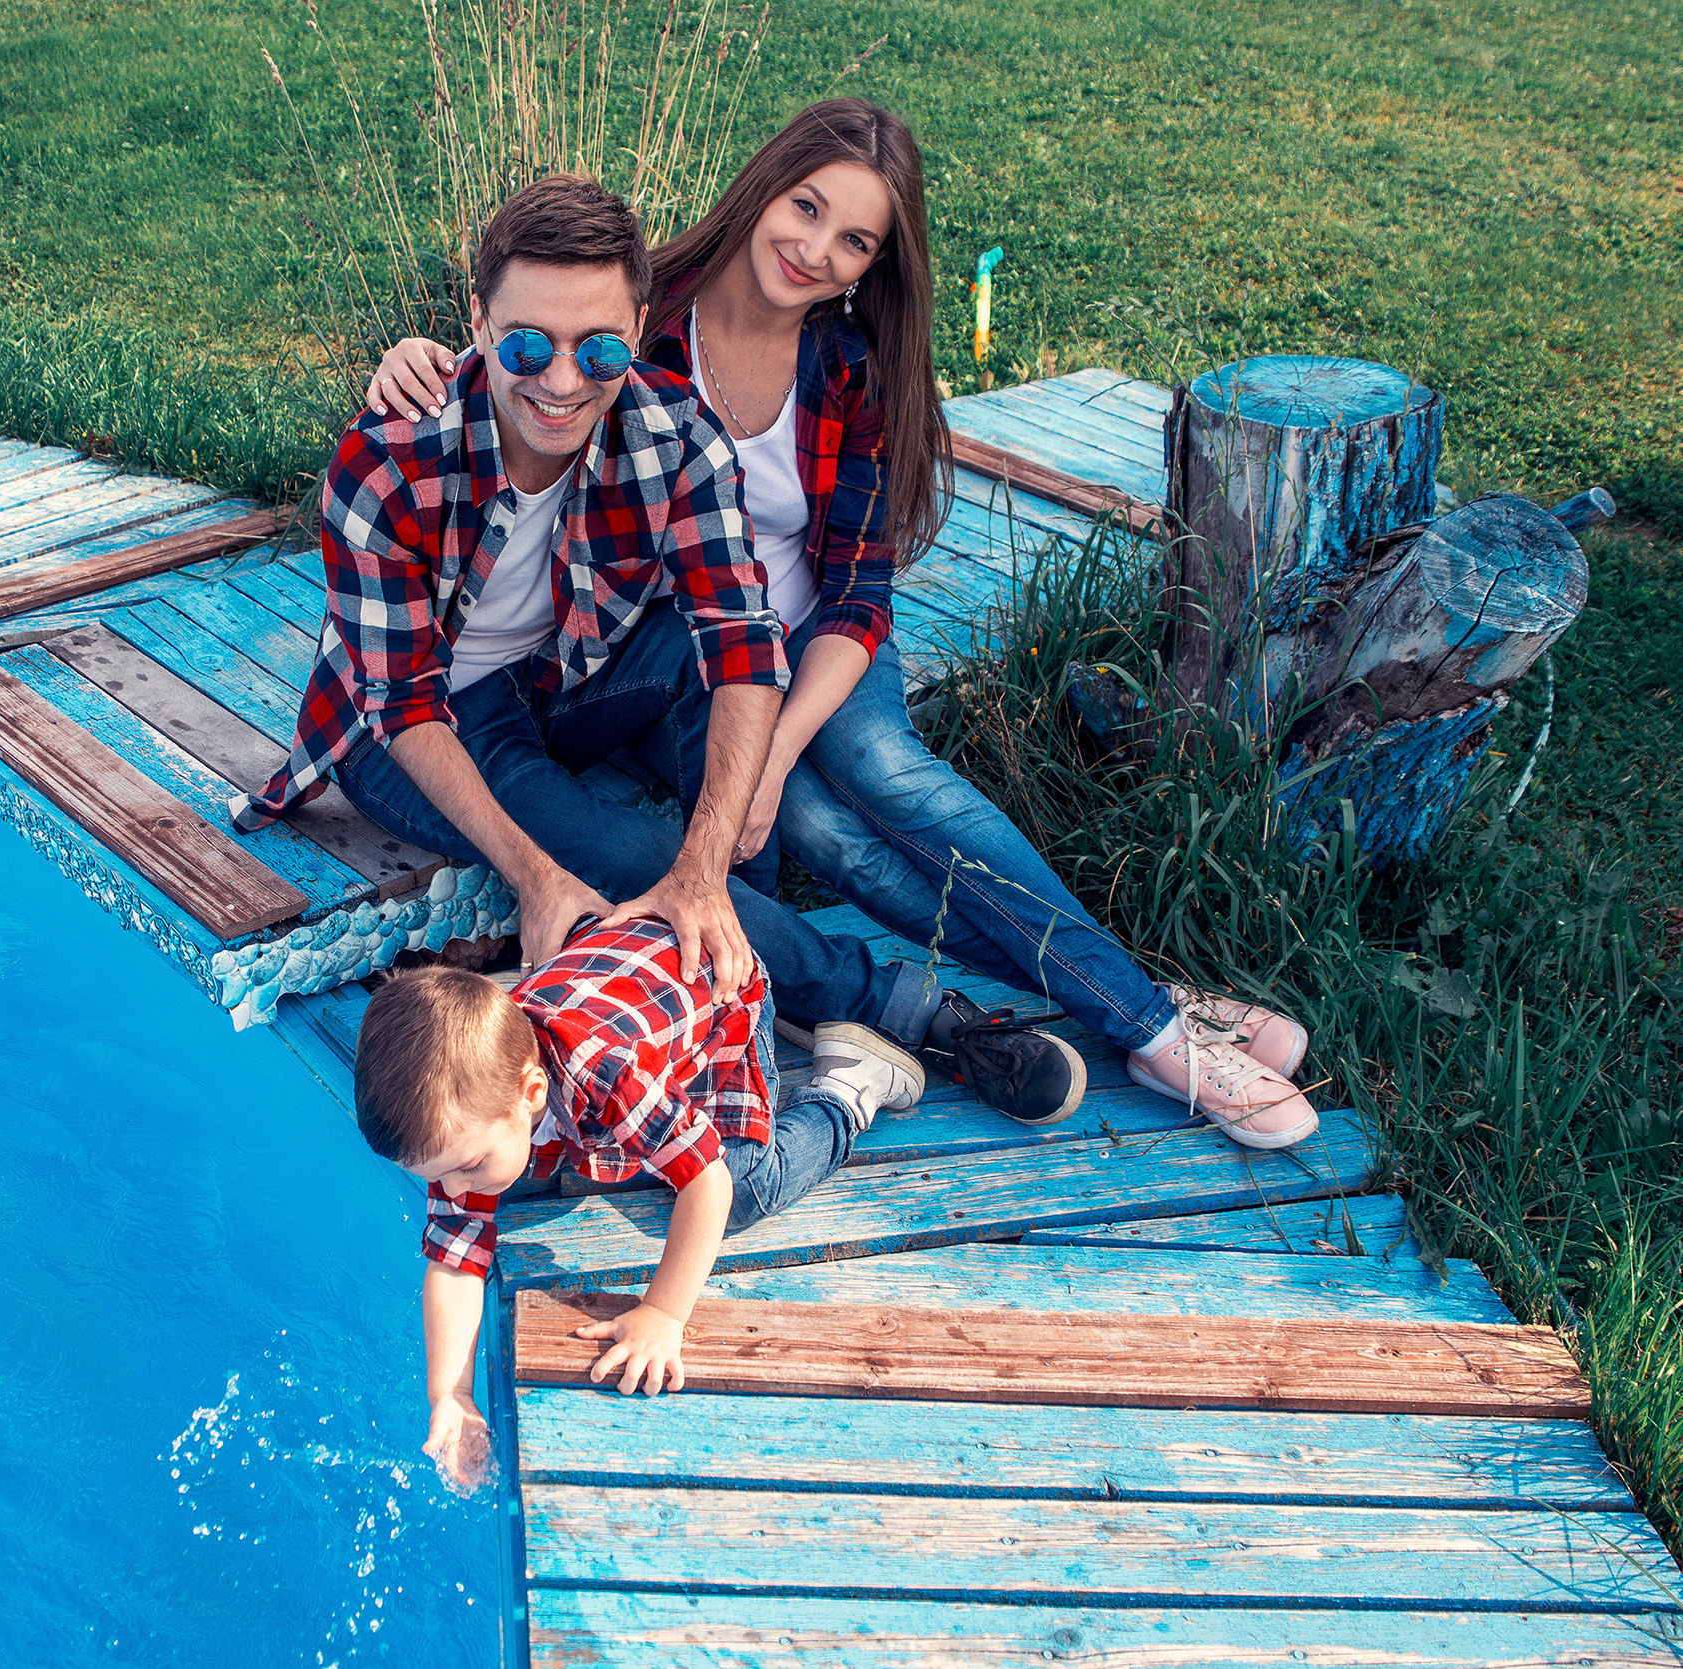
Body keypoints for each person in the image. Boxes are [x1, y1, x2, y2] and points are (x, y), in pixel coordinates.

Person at [364, 101, 1318, 1150]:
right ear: (763, 186)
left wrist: (770, 756)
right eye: (807, 207)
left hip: (808, 639)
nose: (816, 249)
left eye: (854, 239)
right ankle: (1090, 997)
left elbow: (855, 591)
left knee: (885, 773)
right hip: (661, 647)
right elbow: (524, 356)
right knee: (831, 840)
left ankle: (1147, 1020)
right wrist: (424, 361)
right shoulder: (641, 322)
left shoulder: (841, 366)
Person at [238, 172, 1080, 1110]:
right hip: (410, 732)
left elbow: (743, 641)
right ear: (478, 322)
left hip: (553, 679)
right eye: (526, 344)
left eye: (598, 348)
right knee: (626, 850)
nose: (561, 382)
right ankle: (898, 1005)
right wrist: (537, 878)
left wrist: (706, 867)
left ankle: (736, 961)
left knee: (697, 681)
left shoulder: (674, 431)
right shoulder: (387, 460)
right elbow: (402, 707)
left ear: (640, 329)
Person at [353, 916, 919, 1487]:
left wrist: (663, 1314)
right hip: (630, 970)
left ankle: (849, 1090)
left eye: (468, 1166)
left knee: (743, 1188)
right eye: (437, 1176)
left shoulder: (609, 1070)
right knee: (545, 1162)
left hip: (724, 998)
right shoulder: (479, 1099)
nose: (454, 1190)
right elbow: (455, 1260)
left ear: (533, 1092)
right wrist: (451, 1394)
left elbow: (708, 1184)